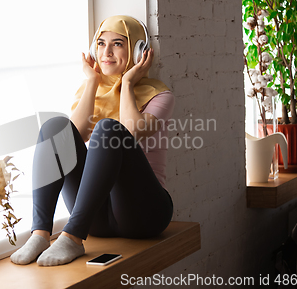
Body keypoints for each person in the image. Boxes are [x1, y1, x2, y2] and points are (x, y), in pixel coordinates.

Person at [10, 15, 174, 267]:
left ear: (138, 50)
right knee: (56, 126)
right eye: (100, 43)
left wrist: (128, 83)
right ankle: (40, 234)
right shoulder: (90, 90)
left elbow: (132, 130)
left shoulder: (159, 95)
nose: (106, 52)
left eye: (117, 44)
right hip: (96, 216)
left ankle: (73, 237)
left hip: (144, 214)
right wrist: (92, 81)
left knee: (109, 129)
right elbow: (72, 139)